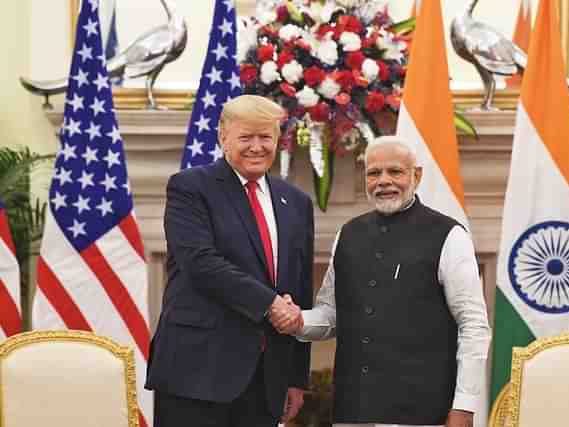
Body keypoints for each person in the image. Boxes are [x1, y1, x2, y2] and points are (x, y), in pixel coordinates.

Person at [273, 136, 491, 427]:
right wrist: (298, 320)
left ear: (417, 175)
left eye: (395, 172)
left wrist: (464, 405)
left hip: (423, 412)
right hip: (353, 409)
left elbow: (473, 324)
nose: (383, 181)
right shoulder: (347, 234)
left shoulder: (449, 235)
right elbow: (332, 314)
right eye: (374, 173)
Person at [146, 95, 314, 427]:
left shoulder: (296, 202)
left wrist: (296, 376)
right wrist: (269, 303)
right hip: (196, 374)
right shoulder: (191, 187)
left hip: (265, 379)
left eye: (265, 137)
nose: (256, 147)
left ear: (278, 139)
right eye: (245, 137)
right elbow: (200, 262)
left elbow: (300, 286)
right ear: (223, 137)